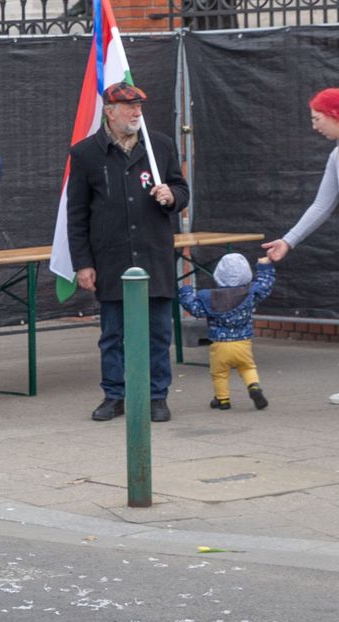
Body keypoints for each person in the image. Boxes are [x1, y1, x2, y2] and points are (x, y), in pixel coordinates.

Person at [66, 82, 190, 423]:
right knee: (113, 333)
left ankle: (156, 395)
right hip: (111, 257)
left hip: (154, 255)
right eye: (128, 107)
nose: (137, 113)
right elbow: (77, 213)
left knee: (159, 331)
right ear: (109, 111)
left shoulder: (159, 146)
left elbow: (181, 188)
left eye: (139, 107)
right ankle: (114, 394)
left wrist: (173, 197)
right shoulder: (86, 153)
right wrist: (83, 263)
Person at [261, 87, 339, 405]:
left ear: (335, 115)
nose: (313, 125)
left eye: (316, 118)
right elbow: (322, 205)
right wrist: (288, 241)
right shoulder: (336, 157)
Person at [177, 254, 275, 410]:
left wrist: (186, 292)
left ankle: (223, 400)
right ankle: (254, 387)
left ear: (219, 274)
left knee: (220, 373)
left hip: (220, 345)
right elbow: (265, 284)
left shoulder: (211, 298)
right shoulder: (250, 294)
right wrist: (264, 267)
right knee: (248, 368)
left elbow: (194, 309)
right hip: (243, 343)